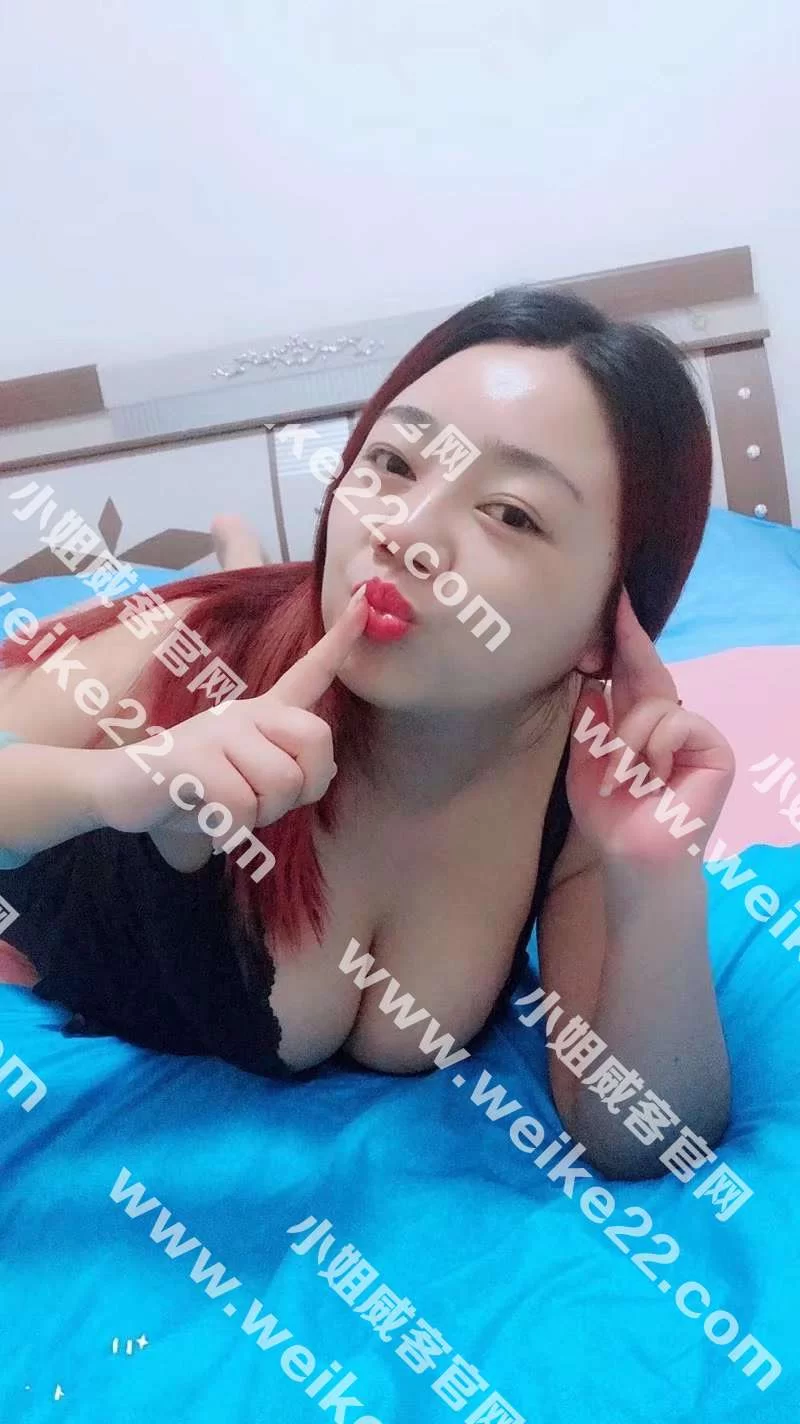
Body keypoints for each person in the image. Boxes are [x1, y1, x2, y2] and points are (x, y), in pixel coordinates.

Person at [0, 286, 735, 1180]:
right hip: (80, 838)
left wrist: (658, 877)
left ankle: (246, 551)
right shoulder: (187, 654)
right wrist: (122, 783)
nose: (404, 532)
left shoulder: (588, 780)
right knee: (241, 612)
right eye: (391, 462)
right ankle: (239, 560)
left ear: (606, 624)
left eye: (510, 513)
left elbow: (645, 1136)